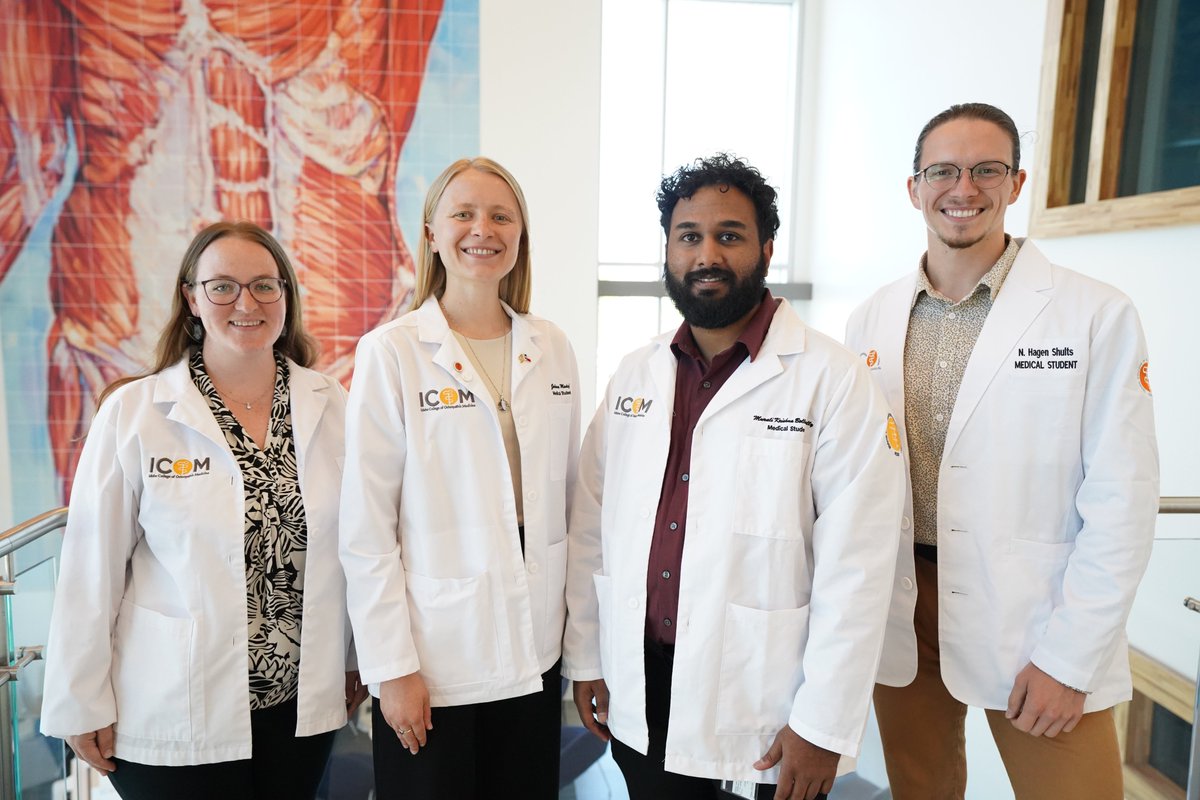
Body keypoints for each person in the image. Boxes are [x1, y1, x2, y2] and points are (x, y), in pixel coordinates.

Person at [564, 154, 905, 800]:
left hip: (762, 691)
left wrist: (824, 722)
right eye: (689, 236)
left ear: (766, 249)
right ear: (668, 250)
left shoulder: (832, 380)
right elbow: (592, 528)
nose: (707, 254)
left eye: (730, 235)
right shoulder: (636, 377)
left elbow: (858, 567)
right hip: (643, 678)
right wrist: (587, 658)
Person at [844, 102, 1159, 799]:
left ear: (1016, 183)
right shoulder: (870, 317)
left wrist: (1072, 660)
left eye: (987, 169)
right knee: (920, 789)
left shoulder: (1094, 314)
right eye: (944, 171)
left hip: (1035, 617)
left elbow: (1123, 502)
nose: (965, 189)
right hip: (903, 604)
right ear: (914, 188)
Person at [40, 221, 365, 799]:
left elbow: (360, 546)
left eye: (266, 285)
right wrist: (77, 701)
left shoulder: (332, 405)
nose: (247, 302)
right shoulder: (137, 412)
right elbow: (91, 568)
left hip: (298, 712)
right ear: (192, 297)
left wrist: (357, 657)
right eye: (223, 287)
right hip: (173, 708)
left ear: (286, 297)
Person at [339, 157, 582, 799]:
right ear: (431, 233)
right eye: (464, 214)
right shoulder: (392, 351)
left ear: (521, 234)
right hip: (436, 656)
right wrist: (391, 669)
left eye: (502, 215)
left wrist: (583, 647)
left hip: (536, 645)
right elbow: (365, 528)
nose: (484, 229)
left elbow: (572, 503)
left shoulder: (551, 345)